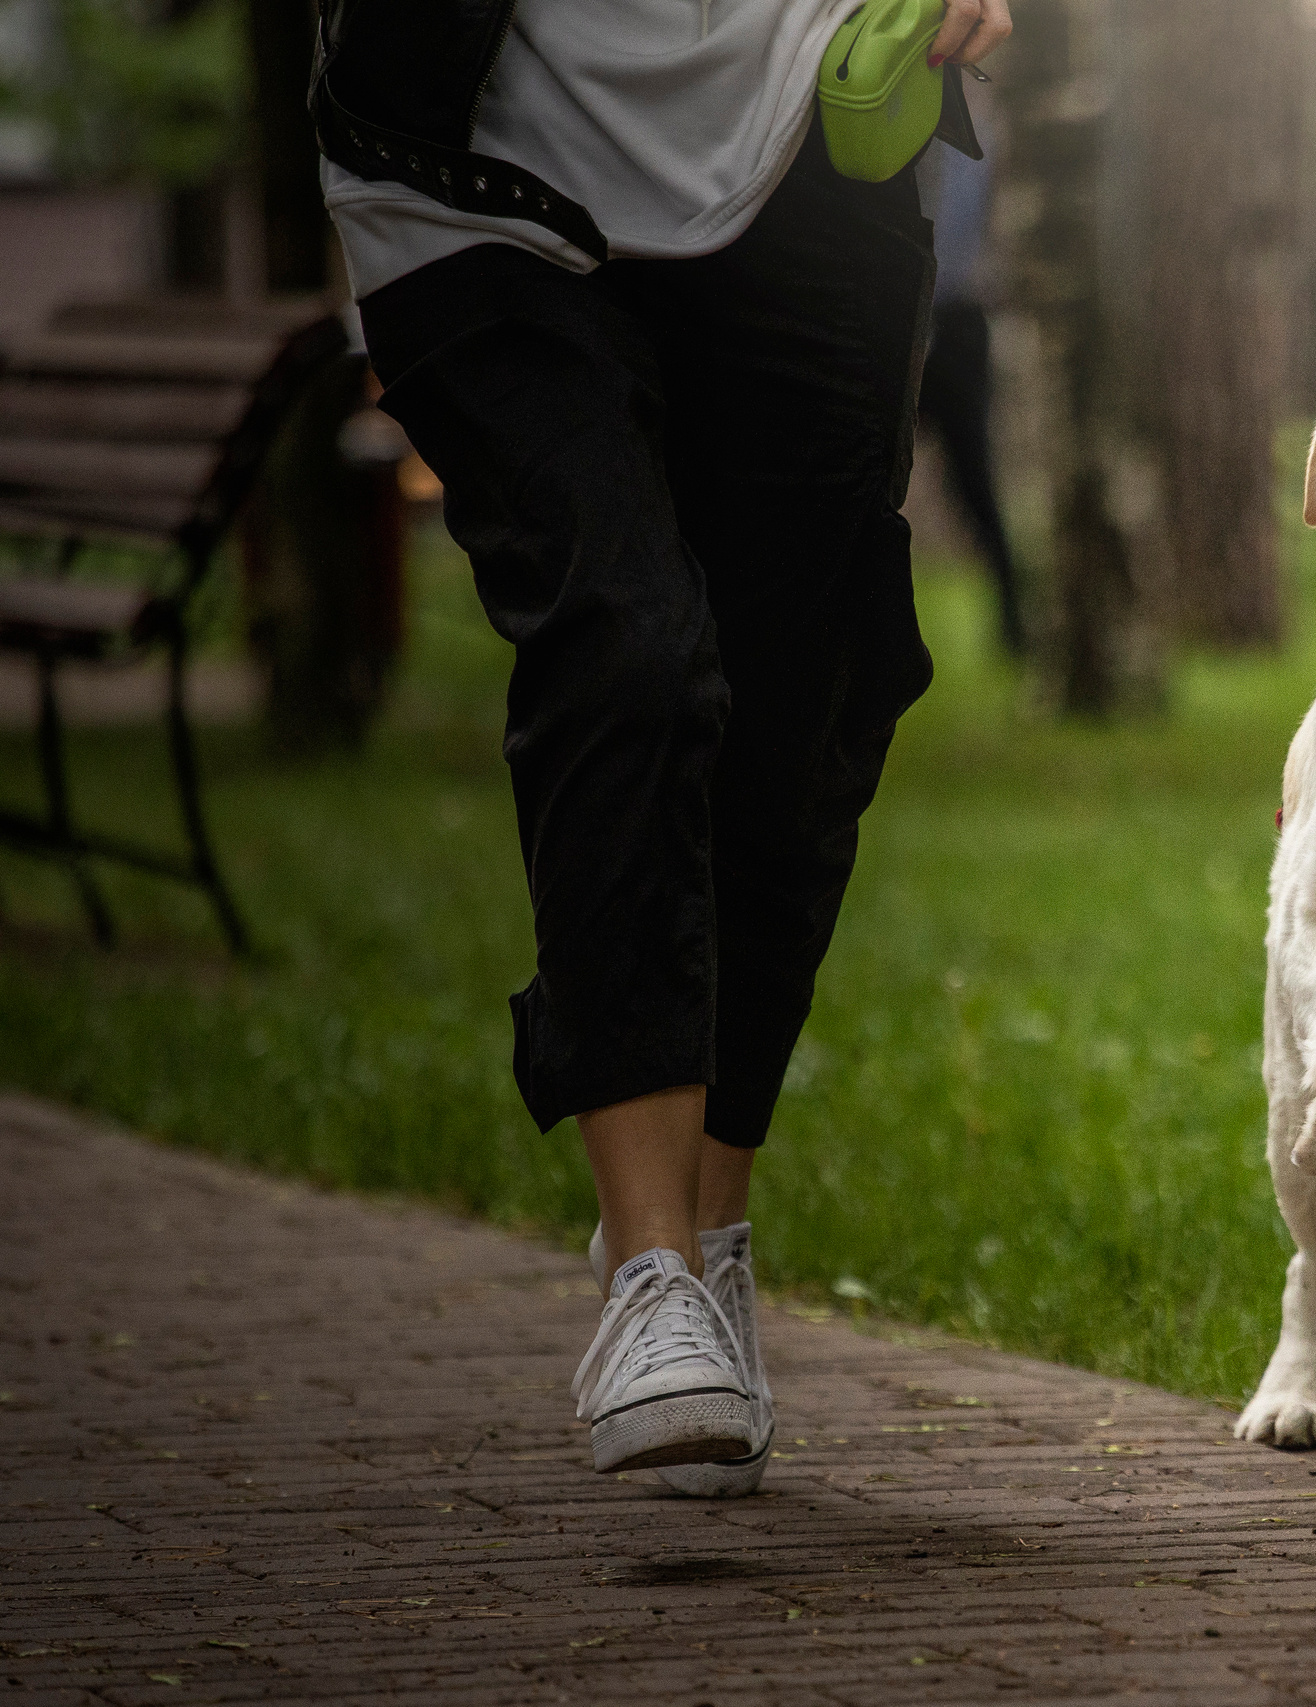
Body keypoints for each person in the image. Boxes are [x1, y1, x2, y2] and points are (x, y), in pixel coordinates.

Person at [311, 0, 1013, 1494]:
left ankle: (710, 1236)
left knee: (803, 700)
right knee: (625, 642)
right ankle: (649, 1271)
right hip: (475, 170)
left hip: (803, 136)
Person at [914, 140, 1026, 656]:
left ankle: (1016, 628)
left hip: (956, 324)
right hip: (901, 317)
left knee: (975, 484)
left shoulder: (986, 144)